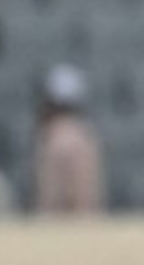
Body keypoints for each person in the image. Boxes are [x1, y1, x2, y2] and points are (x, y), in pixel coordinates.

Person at [32, 63, 107, 215]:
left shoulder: (55, 137)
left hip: (63, 224)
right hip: (89, 222)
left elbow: (52, 197)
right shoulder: (86, 135)